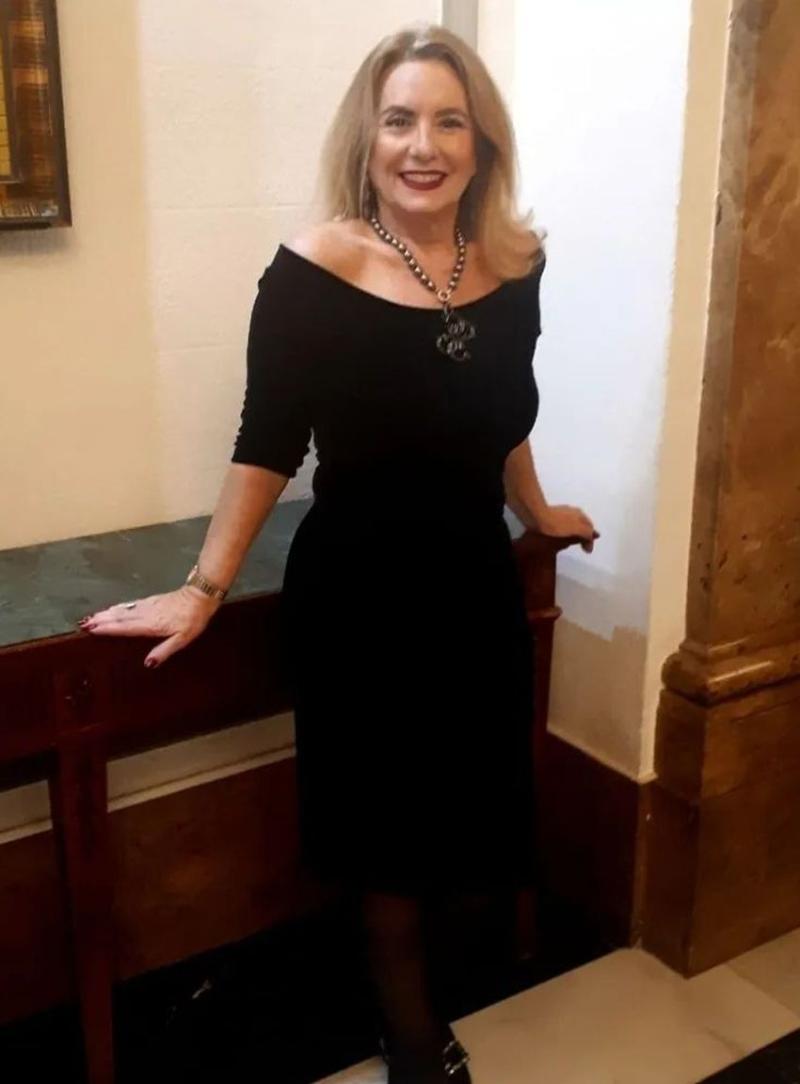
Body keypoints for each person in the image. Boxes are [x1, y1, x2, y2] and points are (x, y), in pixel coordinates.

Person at [80, 22, 598, 1084]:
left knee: (461, 805)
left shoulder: (517, 263)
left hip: (471, 581)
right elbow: (266, 442)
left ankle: (410, 978)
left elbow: (501, 413)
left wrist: (537, 510)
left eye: (448, 121)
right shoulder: (311, 272)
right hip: (362, 594)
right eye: (398, 120)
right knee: (387, 830)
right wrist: (203, 587)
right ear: (366, 138)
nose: (422, 145)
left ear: (483, 143)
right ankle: (409, 1033)